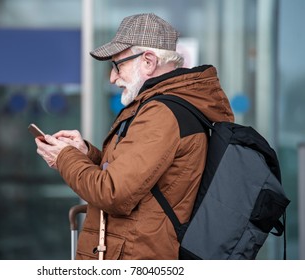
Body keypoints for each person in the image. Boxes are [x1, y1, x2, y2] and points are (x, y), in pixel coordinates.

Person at [34, 13, 234, 260]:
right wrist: (86, 155)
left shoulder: (162, 114)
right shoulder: (164, 107)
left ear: (148, 61)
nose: (112, 77)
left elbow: (113, 193)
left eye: (118, 65)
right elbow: (138, 178)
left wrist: (65, 157)